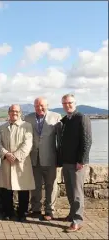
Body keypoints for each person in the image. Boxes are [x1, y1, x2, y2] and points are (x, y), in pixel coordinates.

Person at [58, 94, 92, 232]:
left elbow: (87, 141)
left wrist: (81, 160)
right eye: (65, 103)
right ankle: (72, 214)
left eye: (70, 103)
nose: (67, 105)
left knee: (77, 193)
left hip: (77, 163)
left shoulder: (82, 118)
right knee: (70, 191)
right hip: (66, 162)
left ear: (75, 103)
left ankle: (77, 221)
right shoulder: (65, 119)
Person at [24, 97, 62, 220]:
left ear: (47, 105)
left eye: (42, 105)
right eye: (36, 106)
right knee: (35, 186)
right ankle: (35, 209)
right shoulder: (28, 118)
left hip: (51, 158)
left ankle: (49, 211)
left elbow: (60, 141)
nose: (39, 108)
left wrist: (60, 159)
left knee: (51, 186)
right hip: (33, 158)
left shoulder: (56, 117)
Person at [0, 104, 35, 222]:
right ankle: (8, 212)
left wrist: (16, 156)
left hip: (21, 163)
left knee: (23, 189)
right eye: (12, 111)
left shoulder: (27, 126)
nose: (14, 113)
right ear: (8, 112)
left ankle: (22, 213)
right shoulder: (2, 127)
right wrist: (6, 154)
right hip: (6, 162)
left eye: (17, 111)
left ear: (20, 113)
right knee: (6, 190)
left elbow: (28, 144)